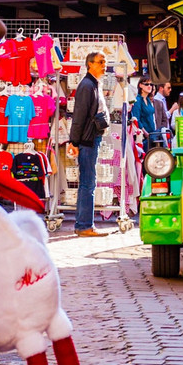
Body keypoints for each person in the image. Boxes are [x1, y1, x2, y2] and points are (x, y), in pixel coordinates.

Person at [68, 51, 109, 237]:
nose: (104, 65)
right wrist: (74, 141)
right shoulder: (87, 85)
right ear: (90, 64)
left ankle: (84, 224)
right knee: (87, 183)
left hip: (91, 139)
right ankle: (84, 225)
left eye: (104, 62)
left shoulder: (93, 84)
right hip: (87, 140)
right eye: (100, 62)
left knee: (88, 182)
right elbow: (79, 116)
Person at [131, 79, 157, 152]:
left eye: (151, 84)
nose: (149, 86)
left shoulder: (148, 99)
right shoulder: (137, 100)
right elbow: (136, 119)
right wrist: (145, 132)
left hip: (152, 134)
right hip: (143, 136)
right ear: (140, 85)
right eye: (146, 84)